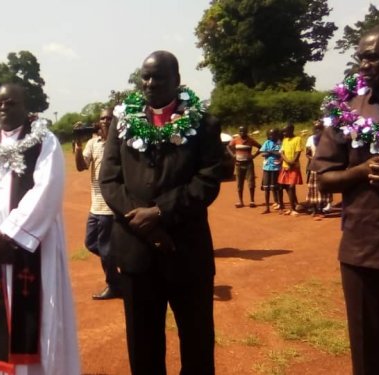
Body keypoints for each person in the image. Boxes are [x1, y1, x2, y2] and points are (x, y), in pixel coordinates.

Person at [100, 50, 222, 374]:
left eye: (159, 77)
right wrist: (145, 223)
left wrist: (160, 212)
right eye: (146, 77)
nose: (150, 83)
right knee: (143, 347)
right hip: (136, 254)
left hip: (187, 253)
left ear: (177, 80)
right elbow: (109, 180)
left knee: (197, 345)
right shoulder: (122, 121)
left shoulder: (205, 123)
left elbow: (208, 181)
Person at [312, 22, 379, 374]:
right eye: (360, 58)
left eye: (372, 57)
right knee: (369, 352)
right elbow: (326, 178)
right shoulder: (345, 107)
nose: (362, 65)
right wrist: (362, 172)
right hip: (364, 251)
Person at [0, 83, 80, 375]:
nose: (4, 107)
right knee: (0, 316)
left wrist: (11, 234)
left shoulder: (44, 141)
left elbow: (47, 189)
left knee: (40, 319)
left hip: (33, 246)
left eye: (11, 102)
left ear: (25, 106)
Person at [73, 109, 121, 300]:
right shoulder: (93, 143)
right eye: (102, 118)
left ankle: (114, 285)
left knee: (107, 247)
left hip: (110, 206)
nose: (106, 121)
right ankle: (122, 270)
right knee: (91, 243)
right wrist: (77, 147)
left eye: (109, 118)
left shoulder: (119, 142)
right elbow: (80, 166)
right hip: (96, 205)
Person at [228, 125, 261, 208]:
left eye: (243, 131)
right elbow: (228, 147)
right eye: (240, 131)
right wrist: (233, 155)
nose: (241, 133)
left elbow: (260, 147)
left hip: (248, 164)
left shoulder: (250, 140)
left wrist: (254, 156)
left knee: (251, 182)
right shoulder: (235, 140)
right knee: (239, 183)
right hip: (238, 164)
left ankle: (252, 201)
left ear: (246, 131)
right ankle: (240, 201)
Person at [304, 122, 332, 219]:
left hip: (325, 167)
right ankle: (315, 209)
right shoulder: (310, 139)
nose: (317, 131)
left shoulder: (328, 139)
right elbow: (307, 153)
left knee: (323, 188)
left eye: (319, 129)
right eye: (315, 129)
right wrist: (313, 159)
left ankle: (321, 209)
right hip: (314, 167)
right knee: (313, 188)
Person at [278, 122, 303, 216]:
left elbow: (298, 152)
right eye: (283, 132)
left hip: (294, 167)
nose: (284, 133)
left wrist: (292, 161)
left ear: (291, 130)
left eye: (285, 131)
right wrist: (287, 161)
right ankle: (294, 206)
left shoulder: (298, 139)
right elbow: (282, 153)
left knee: (292, 186)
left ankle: (293, 208)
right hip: (285, 166)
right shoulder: (284, 140)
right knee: (287, 187)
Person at [259, 128, 283, 214]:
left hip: (276, 167)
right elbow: (262, 153)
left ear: (277, 135)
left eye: (273, 134)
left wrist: (270, 152)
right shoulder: (267, 142)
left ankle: (280, 206)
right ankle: (267, 207)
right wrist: (272, 152)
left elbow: (280, 153)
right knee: (266, 188)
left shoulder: (279, 143)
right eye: (270, 135)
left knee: (277, 187)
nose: (271, 136)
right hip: (266, 167)